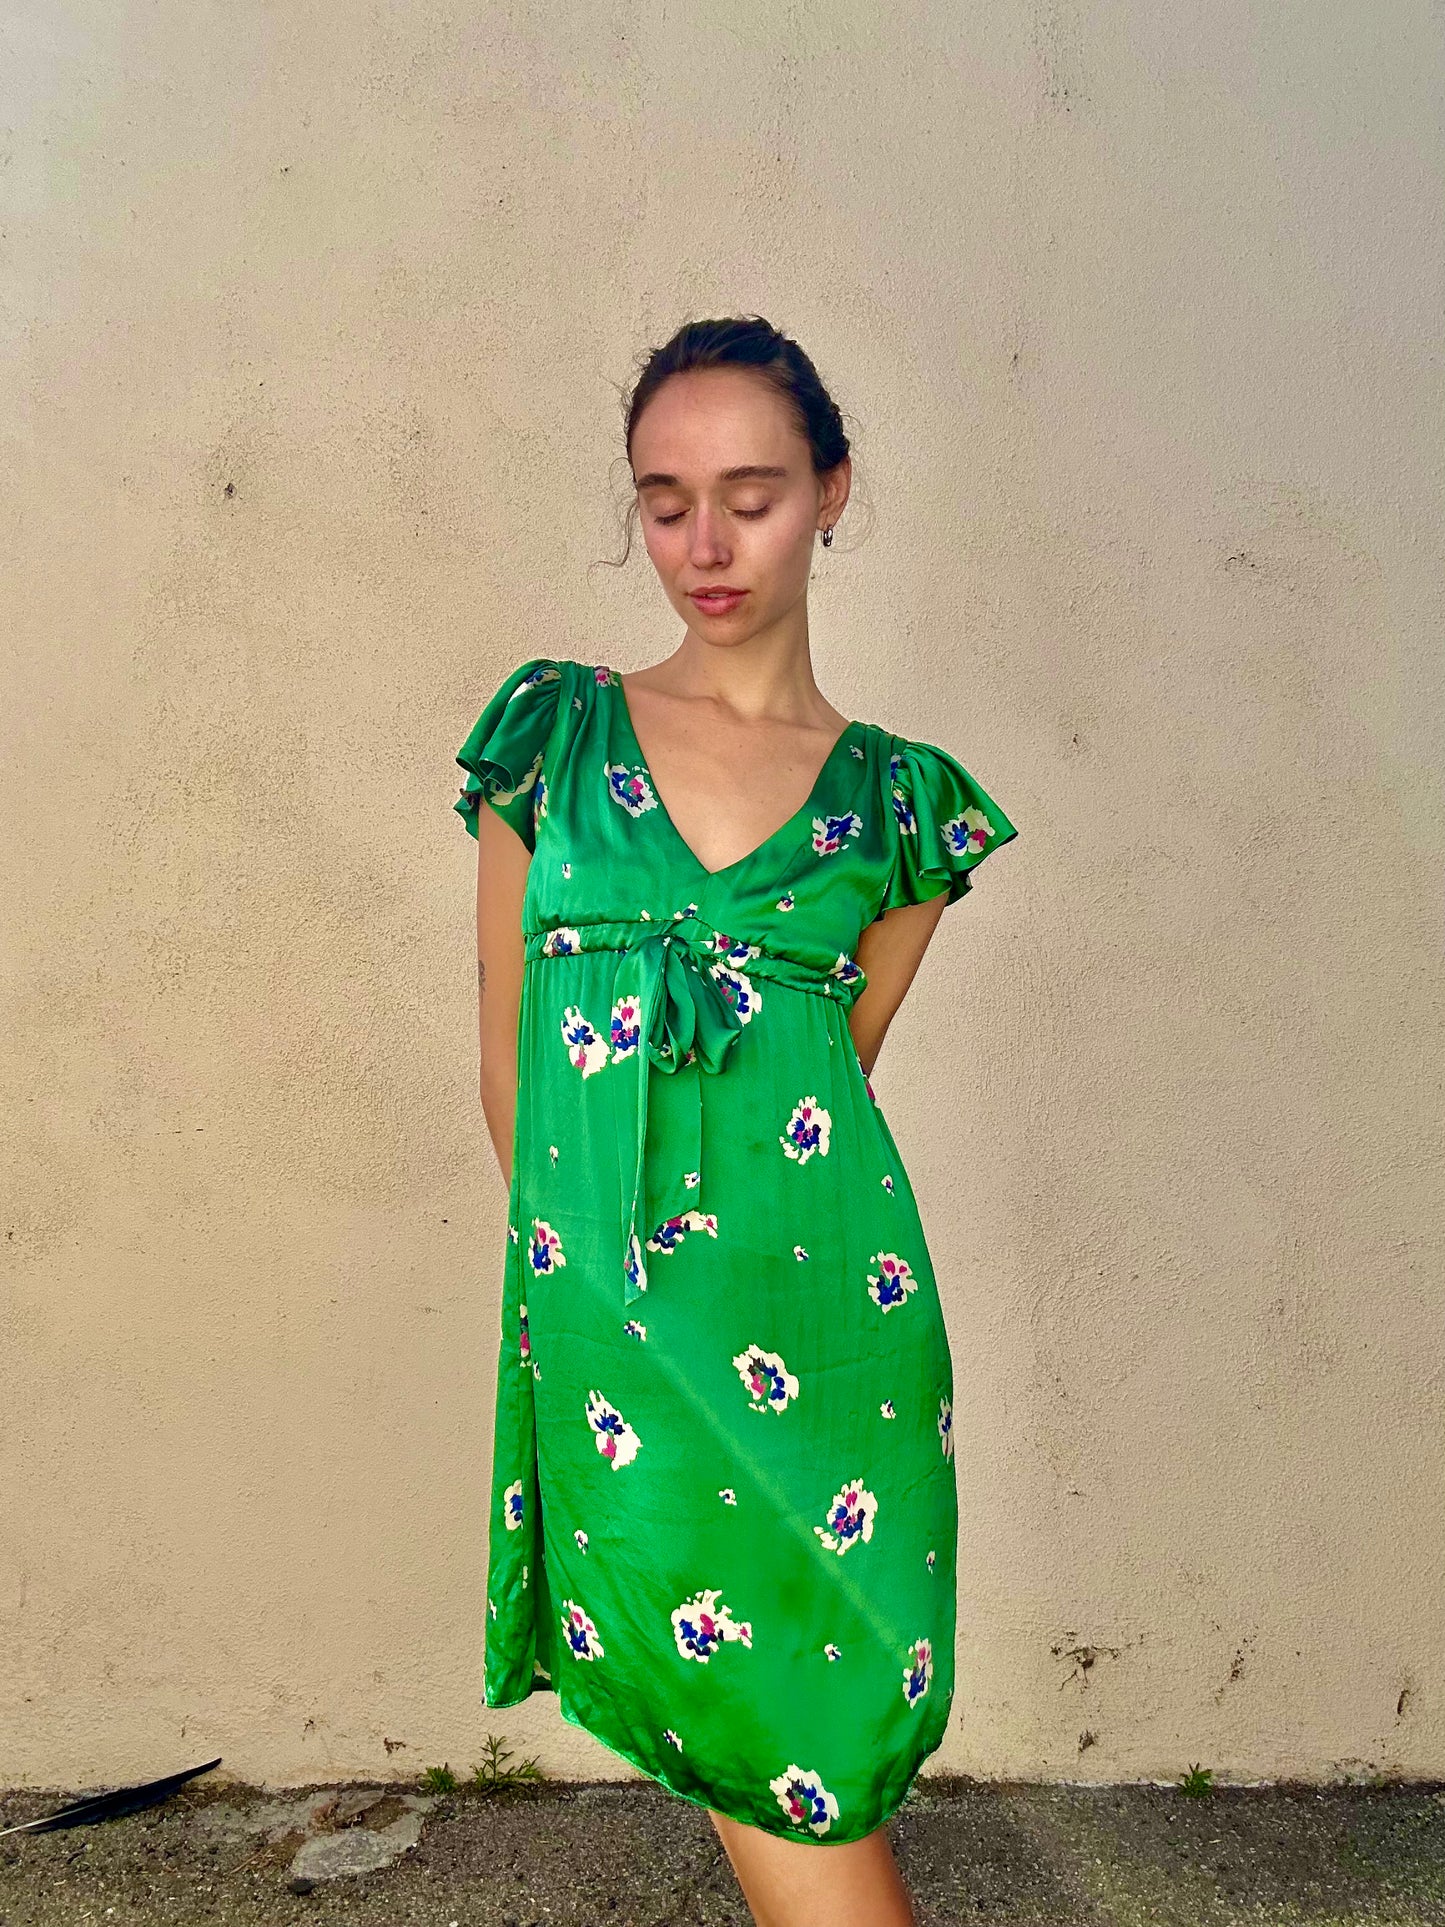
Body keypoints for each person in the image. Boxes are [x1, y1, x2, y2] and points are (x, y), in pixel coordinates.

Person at [453, 314, 1018, 1927]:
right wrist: (603, 1315)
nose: (703, 545)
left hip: (823, 1337)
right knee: (751, 1735)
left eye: (751, 495)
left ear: (833, 493)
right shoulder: (548, 741)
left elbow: (826, 1096)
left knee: (808, 1736)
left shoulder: (899, 807)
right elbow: (510, 1069)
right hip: (621, 1329)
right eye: (664, 498)